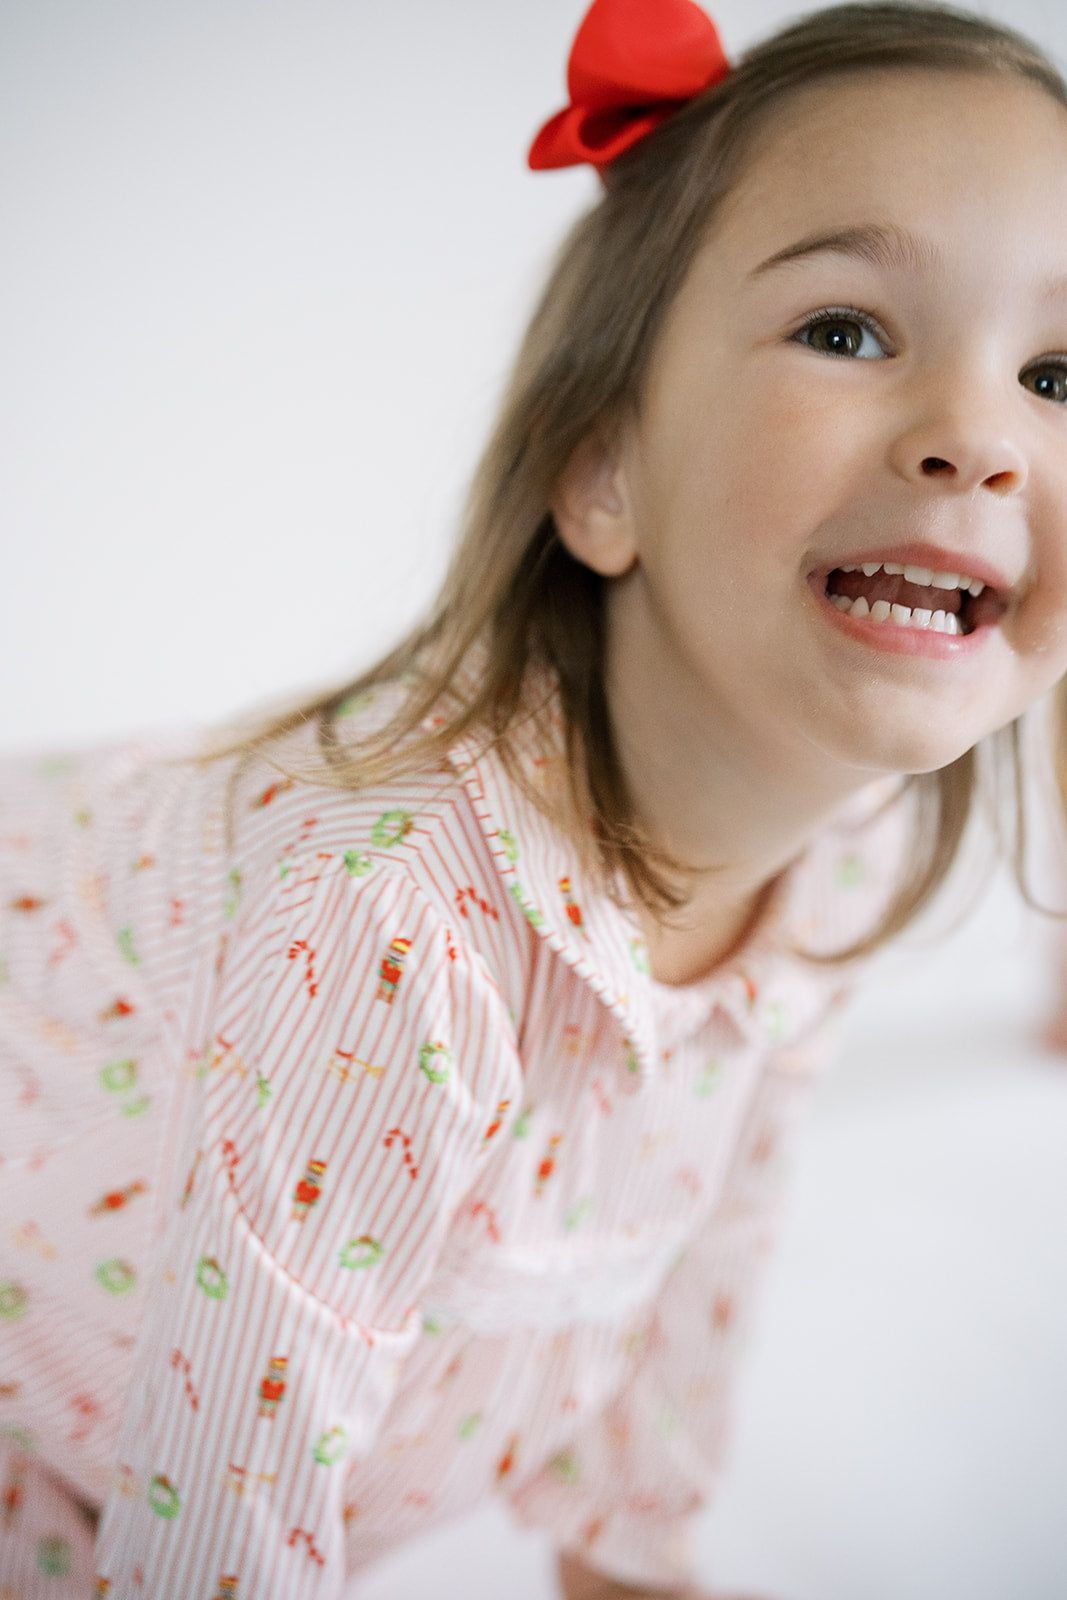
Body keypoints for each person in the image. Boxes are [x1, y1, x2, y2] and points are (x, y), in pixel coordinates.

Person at [3, 0, 1067, 1596]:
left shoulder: (837, 859)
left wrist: (632, 1539)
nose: (979, 438)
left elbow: (716, 1224)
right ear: (603, 474)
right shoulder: (397, 926)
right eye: (848, 329)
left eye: (1061, 369)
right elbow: (228, 1472)